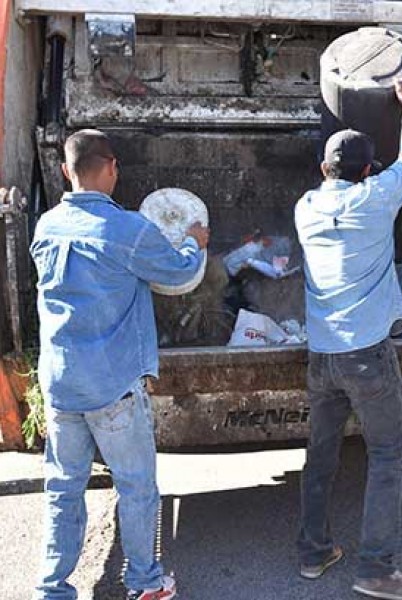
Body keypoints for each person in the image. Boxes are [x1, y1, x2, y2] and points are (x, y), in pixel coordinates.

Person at [30, 129, 210, 600]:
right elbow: (181, 273)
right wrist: (195, 242)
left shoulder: (45, 226)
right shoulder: (128, 229)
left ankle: (53, 589)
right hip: (111, 385)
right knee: (136, 488)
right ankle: (146, 584)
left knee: (63, 489)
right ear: (112, 168)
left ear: (66, 171)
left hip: (61, 383)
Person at [294, 79, 402, 600]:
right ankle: (375, 568)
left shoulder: (306, 208)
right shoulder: (376, 199)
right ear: (367, 170)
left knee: (321, 453)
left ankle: (314, 551)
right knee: (389, 455)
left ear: (324, 168)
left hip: (322, 356)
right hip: (367, 355)